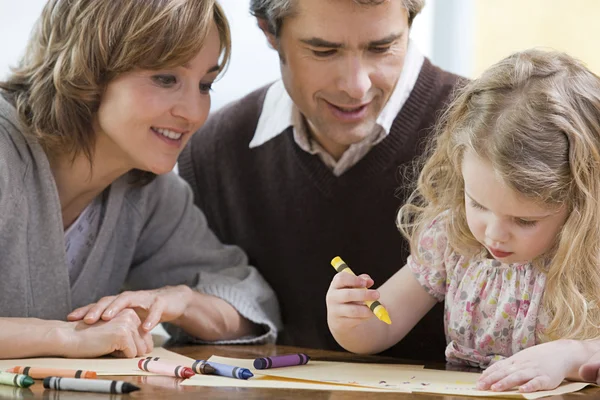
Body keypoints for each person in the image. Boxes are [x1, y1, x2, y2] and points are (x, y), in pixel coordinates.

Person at [178, 0, 463, 361]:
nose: (356, 87)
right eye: (324, 51)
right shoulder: (214, 152)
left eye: (381, 48)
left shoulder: (487, 137)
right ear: (270, 33)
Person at [0, 0, 281, 359]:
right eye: (165, 79)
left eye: (205, 85)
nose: (194, 113)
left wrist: (182, 301)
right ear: (89, 68)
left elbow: (251, 307)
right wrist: (65, 337)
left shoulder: (148, 190)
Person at [326, 48, 600, 393]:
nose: (495, 234)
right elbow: (381, 328)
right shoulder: (451, 236)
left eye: (525, 221)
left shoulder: (591, 252)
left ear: (584, 202)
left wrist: (569, 356)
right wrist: (351, 319)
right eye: (478, 204)